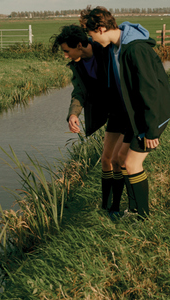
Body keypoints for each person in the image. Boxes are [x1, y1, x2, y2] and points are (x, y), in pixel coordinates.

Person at [80, 6, 170, 219]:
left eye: (91, 33)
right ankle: (133, 210)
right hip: (136, 115)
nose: (91, 39)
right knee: (121, 158)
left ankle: (143, 217)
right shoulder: (116, 47)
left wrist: (152, 130)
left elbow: (150, 90)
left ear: (101, 29)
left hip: (152, 115)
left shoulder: (135, 49)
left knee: (131, 163)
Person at [51, 24, 132, 218]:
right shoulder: (78, 65)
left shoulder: (106, 50)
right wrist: (73, 114)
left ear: (79, 45)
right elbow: (80, 91)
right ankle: (105, 207)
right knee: (105, 159)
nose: (65, 56)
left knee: (118, 160)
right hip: (112, 113)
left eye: (66, 51)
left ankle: (116, 207)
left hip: (126, 110)